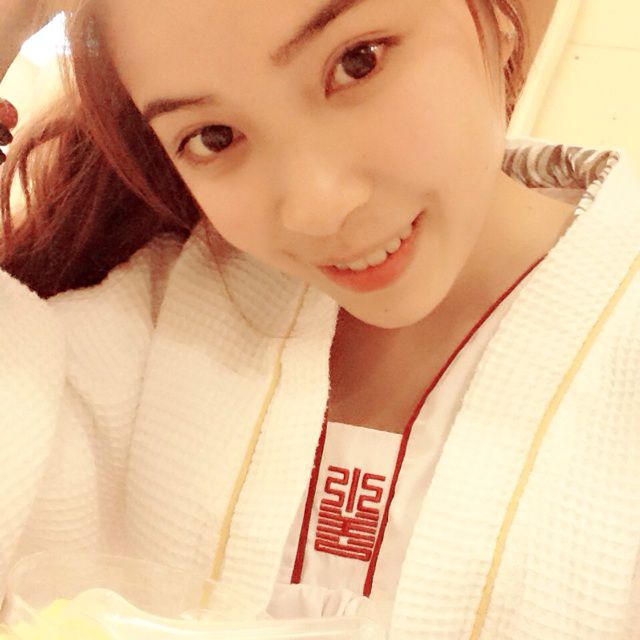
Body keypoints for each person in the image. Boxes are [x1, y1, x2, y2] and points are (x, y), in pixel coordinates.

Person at [0, 0, 639, 637]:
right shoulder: (148, 328)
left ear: (498, 17)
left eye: (358, 63)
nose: (316, 208)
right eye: (213, 137)